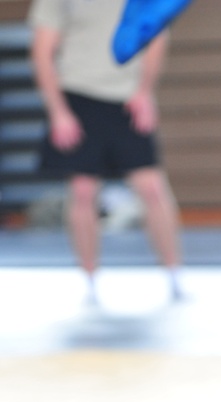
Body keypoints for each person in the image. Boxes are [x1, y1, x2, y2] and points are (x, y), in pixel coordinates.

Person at [29, 0, 184, 302]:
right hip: (78, 95)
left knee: (152, 187)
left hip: (127, 97)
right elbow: (42, 51)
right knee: (84, 192)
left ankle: (174, 273)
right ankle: (89, 279)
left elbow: (155, 34)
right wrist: (58, 112)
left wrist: (145, 92)